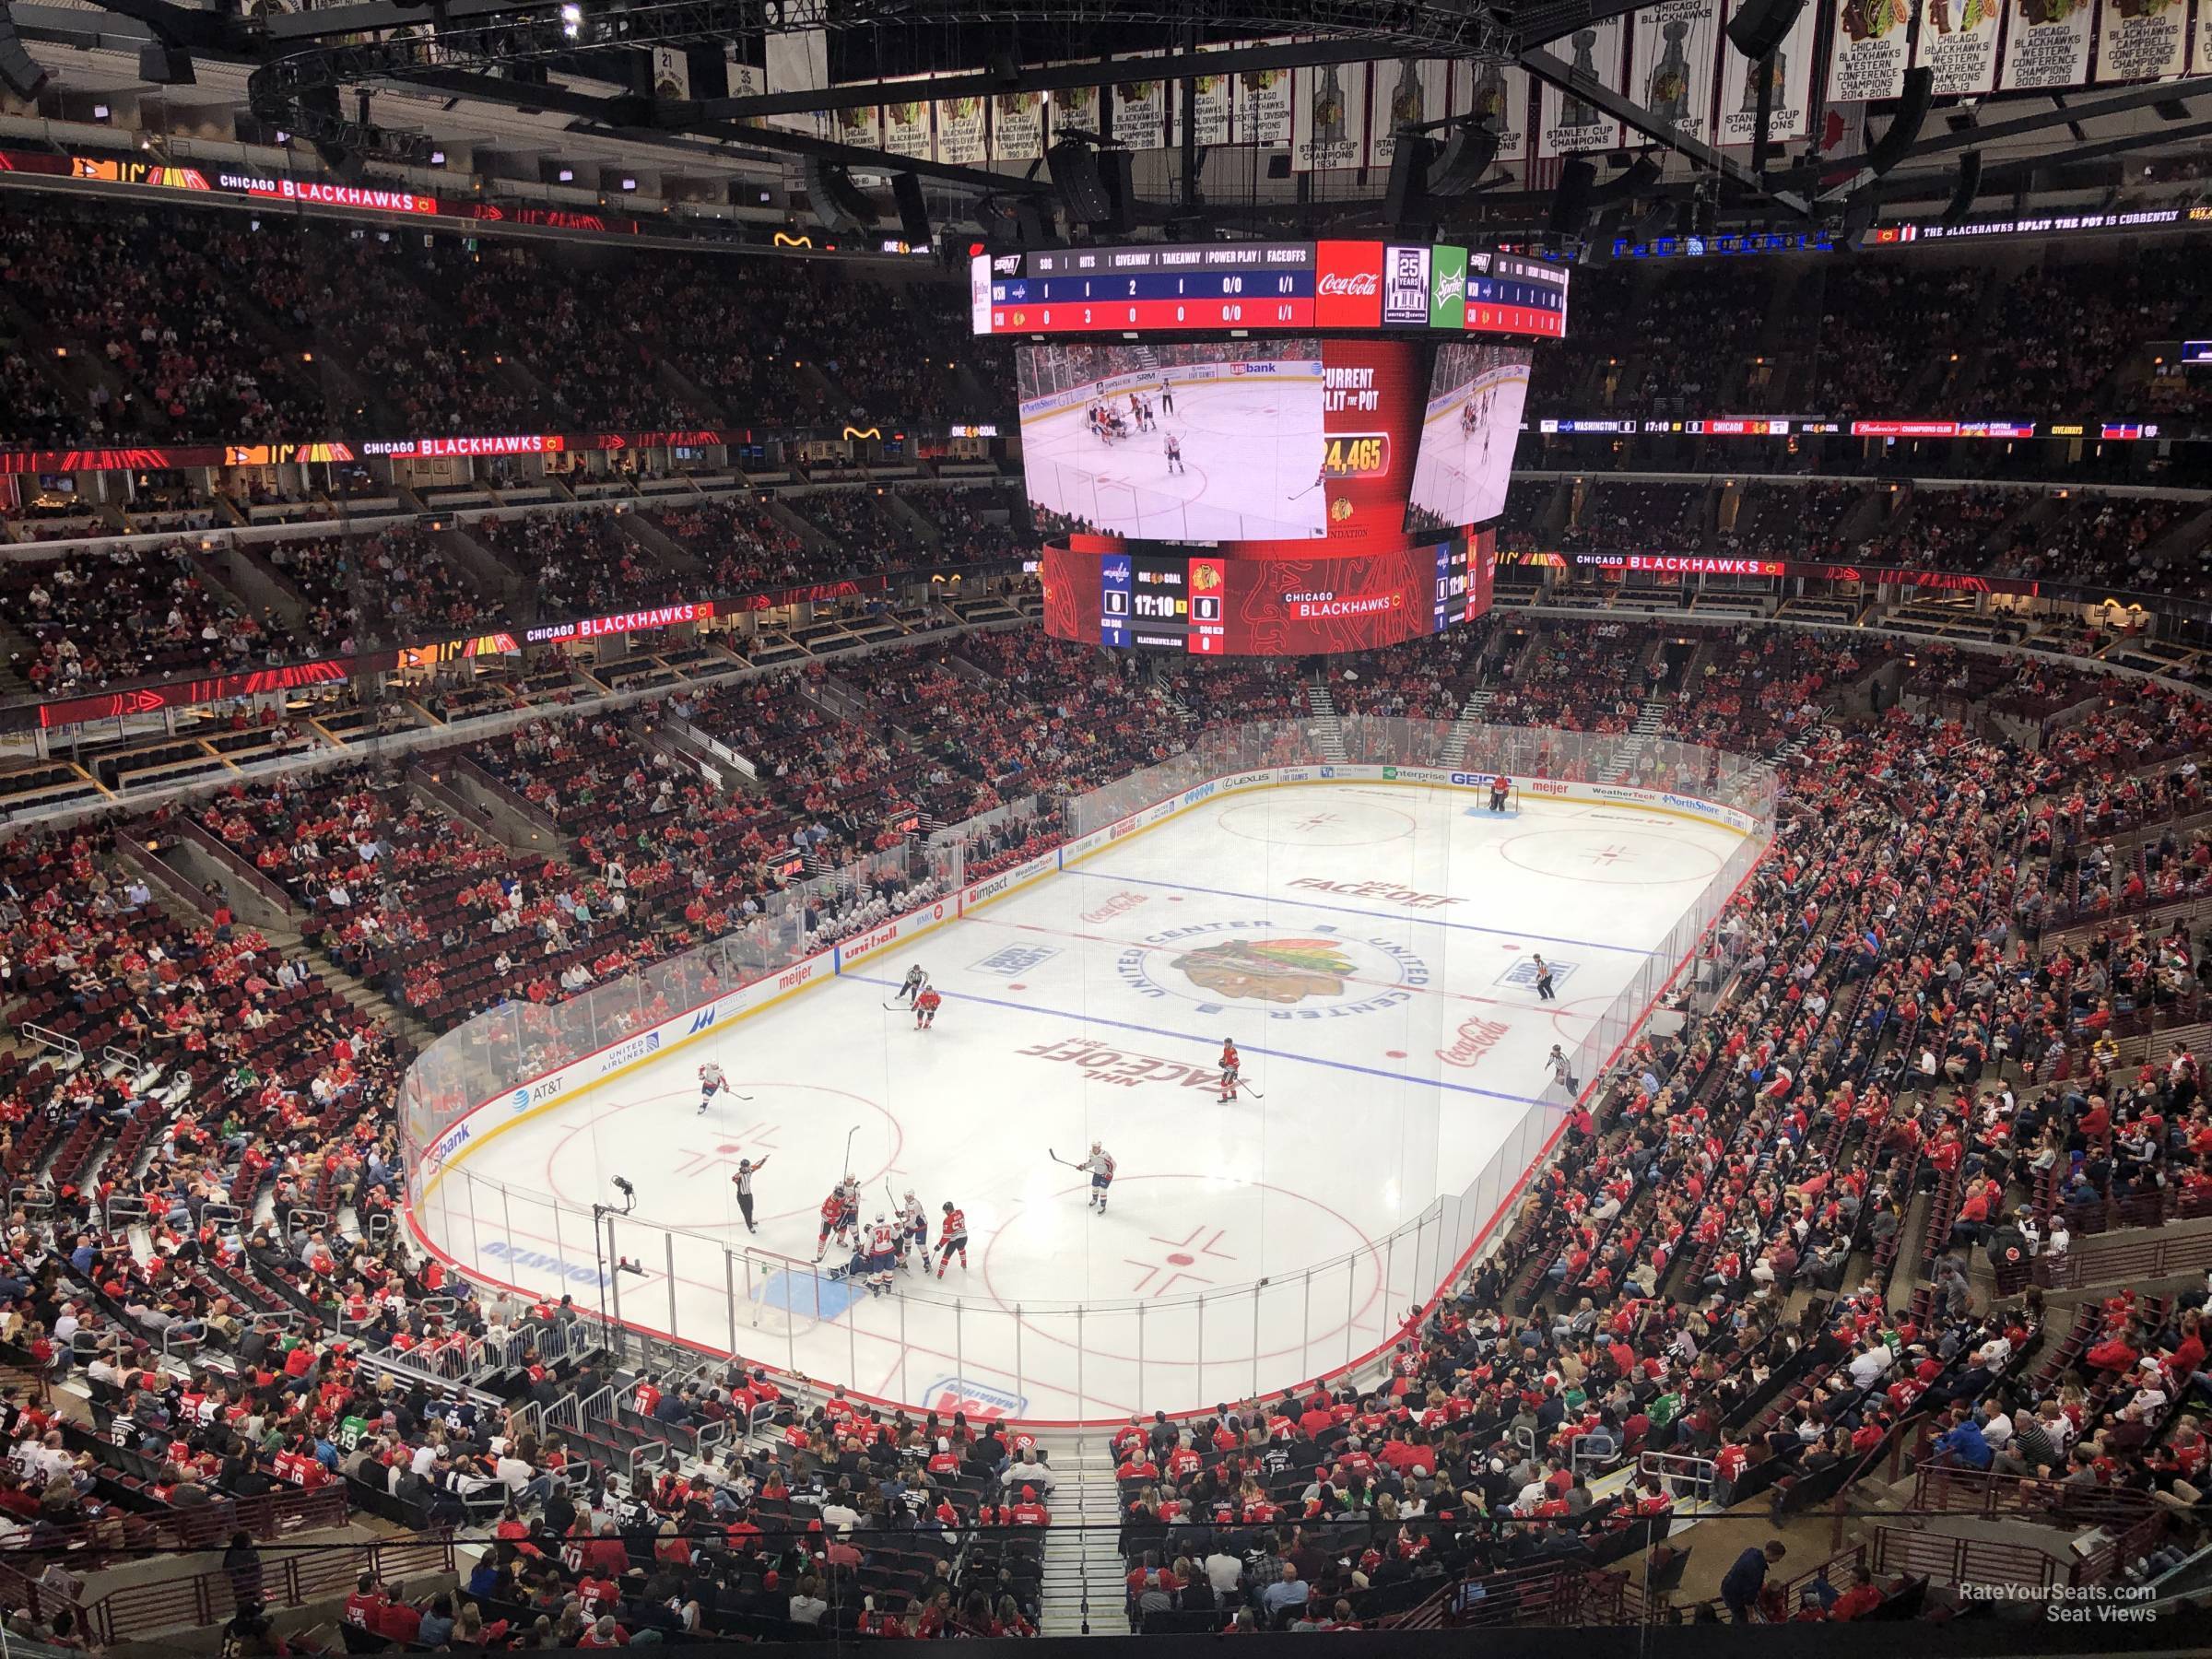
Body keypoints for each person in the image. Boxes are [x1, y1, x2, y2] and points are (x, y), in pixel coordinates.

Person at [1720, 1539, 1785, 1623]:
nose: (1777, 1561)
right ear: (1772, 1554)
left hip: (1728, 1585)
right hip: (1734, 1596)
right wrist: (1751, 1615)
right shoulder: (1756, 1570)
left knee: (1738, 1615)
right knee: (1742, 1617)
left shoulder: (1752, 1551)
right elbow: (1749, 1597)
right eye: (1777, 1558)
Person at [865, 1214, 900, 1297]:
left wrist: (866, 1255)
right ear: (884, 1218)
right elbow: (896, 1236)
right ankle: (888, 1288)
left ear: (876, 1219)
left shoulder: (872, 1229)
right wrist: (897, 1229)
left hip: (879, 1253)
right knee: (889, 1270)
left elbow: (868, 1244)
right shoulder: (889, 1226)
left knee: (878, 1272)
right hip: (890, 1251)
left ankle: (876, 1290)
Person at [731, 1156, 767, 1234]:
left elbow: (757, 1166)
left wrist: (764, 1160)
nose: (748, 1168)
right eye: (746, 1167)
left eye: (748, 1166)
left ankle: (750, 1220)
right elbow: (733, 1179)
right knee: (746, 1212)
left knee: (750, 1209)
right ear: (743, 1167)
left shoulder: (750, 1171)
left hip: (749, 1195)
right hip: (741, 1197)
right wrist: (736, 1177)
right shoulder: (739, 1175)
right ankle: (750, 1226)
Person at [936, 1202, 970, 1279]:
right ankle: (964, 1264)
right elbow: (957, 1218)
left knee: (946, 1257)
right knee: (961, 1250)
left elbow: (946, 1237)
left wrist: (939, 1245)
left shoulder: (947, 1220)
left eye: (945, 1211)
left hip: (954, 1240)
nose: (945, 1212)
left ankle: (940, 1274)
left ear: (948, 1210)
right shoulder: (960, 1212)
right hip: (963, 1237)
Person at [1084, 1142, 1116, 1213]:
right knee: (1094, 1187)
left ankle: (1103, 1206)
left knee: (1102, 1190)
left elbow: (1113, 1164)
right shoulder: (1091, 1154)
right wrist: (1083, 1166)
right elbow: (1092, 1162)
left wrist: (1109, 1173)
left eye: (1096, 1147)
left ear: (1099, 1147)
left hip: (1106, 1175)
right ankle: (1094, 1199)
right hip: (1097, 1173)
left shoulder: (1105, 1155)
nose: (1094, 1148)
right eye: (1093, 1147)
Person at [1218, 1039, 1241, 1104]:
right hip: (1227, 1068)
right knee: (1230, 1081)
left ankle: (1224, 1098)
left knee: (1223, 1082)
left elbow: (1237, 1063)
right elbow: (1225, 1057)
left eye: (1226, 1043)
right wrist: (1221, 1061)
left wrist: (1235, 1072)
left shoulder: (1233, 1051)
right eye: (1224, 1043)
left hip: (1230, 1070)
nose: (1225, 1044)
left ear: (1230, 1044)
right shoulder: (1225, 1049)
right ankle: (1234, 1095)